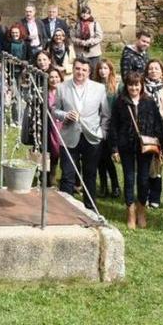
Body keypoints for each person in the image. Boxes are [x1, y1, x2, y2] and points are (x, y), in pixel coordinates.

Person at [53, 58, 111, 211]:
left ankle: (90, 208)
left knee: (90, 175)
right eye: (78, 69)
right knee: (67, 175)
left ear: (89, 72)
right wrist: (65, 115)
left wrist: (102, 132)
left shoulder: (99, 88)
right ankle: (65, 209)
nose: (80, 72)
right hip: (69, 136)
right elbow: (55, 110)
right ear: (73, 69)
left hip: (91, 136)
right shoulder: (62, 87)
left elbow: (105, 114)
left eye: (84, 70)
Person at [109, 71, 163, 229]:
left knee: (143, 179)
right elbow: (113, 126)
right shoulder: (120, 102)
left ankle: (141, 209)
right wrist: (114, 148)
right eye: (131, 84)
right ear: (126, 86)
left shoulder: (149, 102)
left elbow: (158, 126)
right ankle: (131, 211)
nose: (134, 87)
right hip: (125, 145)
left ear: (141, 85)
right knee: (129, 179)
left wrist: (161, 149)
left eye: (137, 84)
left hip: (145, 147)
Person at [143, 59, 163, 209]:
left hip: (160, 130)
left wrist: (162, 113)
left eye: (156, 69)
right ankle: (143, 194)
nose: (153, 71)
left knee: (157, 161)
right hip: (143, 129)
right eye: (150, 69)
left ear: (162, 72)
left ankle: (155, 197)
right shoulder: (142, 87)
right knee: (144, 161)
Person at [95, 60, 121, 199]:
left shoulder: (116, 86)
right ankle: (104, 186)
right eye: (100, 68)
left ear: (110, 70)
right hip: (97, 124)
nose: (102, 71)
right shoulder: (94, 85)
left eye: (105, 68)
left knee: (108, 157)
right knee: (99, 158)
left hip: (112, 125)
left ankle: (115, 185)